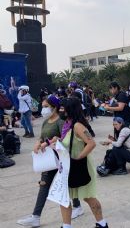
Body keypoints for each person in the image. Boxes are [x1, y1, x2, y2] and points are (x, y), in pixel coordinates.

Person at [16, 95, 72, 227]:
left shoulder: (61, 121)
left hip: (60, 159)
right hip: (48, 159)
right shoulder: (46, 121)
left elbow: (63, 138)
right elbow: (41, 137)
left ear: (54, 107)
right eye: (43, 106)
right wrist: (38, 143)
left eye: (46, 106)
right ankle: (36, 216)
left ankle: (77, 206)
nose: (43, 109)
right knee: (44, 185)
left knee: (66, 185)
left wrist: (46, 143)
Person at [53, 97, 108, 228]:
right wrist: (58, 140)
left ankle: (102, 224)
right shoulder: (67, 124)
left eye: (62, 108)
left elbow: (91, 143)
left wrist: (79, 157)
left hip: (79, 166)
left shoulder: (78, 125)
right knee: (64, 197)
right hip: (68, 166)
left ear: (69, 110)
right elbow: (68, 141)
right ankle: (66, 226)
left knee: (88, 196)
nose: (60, 110)